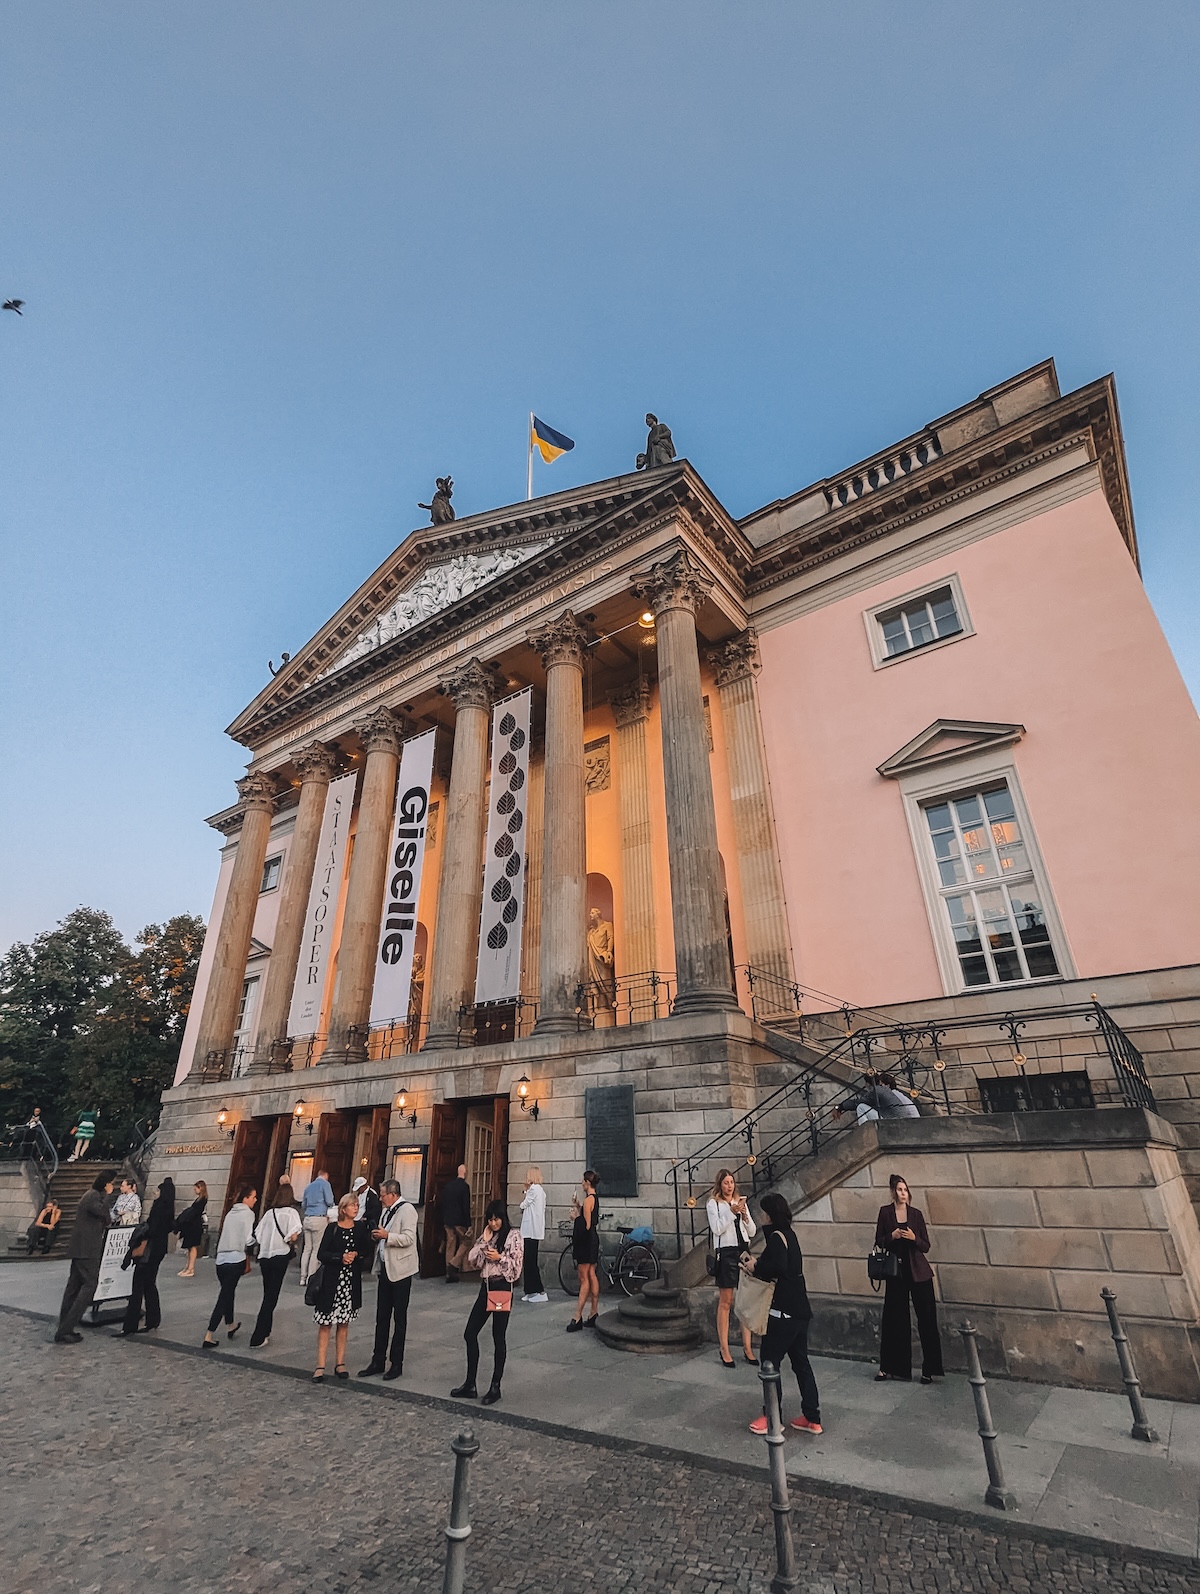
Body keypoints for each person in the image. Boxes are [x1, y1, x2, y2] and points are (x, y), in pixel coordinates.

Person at [743, 1193, 822, 1436]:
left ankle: (772, 1417)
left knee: (769, 1363)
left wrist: (753, 1267)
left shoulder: (777, 1238)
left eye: (764, 1212)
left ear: (769, 1214)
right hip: (800, 1310)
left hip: (783, 1312)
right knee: (801, 1363)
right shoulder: (789, 1235)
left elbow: (775, 1267)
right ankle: (812, 1417)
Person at [451, 1200, 523, 1406]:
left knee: (498, 1336)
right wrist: (484, 1241)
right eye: (490, 1220)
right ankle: (470, 1384)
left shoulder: (514, 1236)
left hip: (501, 1288)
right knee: (470, 1333)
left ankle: (495, 1386)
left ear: (503, 1218)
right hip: (486, 1287)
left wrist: (499, 1257)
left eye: (497, 1219)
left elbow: (516, 1269)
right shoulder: (488, 1235)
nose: (493, 1223)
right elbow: (473, 1260)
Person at [875, 1174, 944, 1384]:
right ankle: (889, 1368)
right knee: (894, 1319)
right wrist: (892, 1237)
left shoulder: (916, 1214)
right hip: (896, 1273)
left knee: (927, 1319)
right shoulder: (885, 1213)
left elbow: (926, 1245)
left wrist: (914, 1238)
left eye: (905, 1190)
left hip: (919, 1272)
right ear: (892, 1192)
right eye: (899, 1190)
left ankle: (929, 1369)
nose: (903, 1193)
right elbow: (878, 1240)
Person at [357, 1178, 418, 1380]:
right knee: (381, 1316)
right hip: (385, 1268)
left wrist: (387, 1236)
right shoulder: (386, 1210)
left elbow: (409, 1238)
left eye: (383, 1195)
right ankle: (378, 1359)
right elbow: (384, 1233)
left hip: (401, 1271)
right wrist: (378, 1236)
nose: (381, 1198)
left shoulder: (407, 1210)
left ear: (393, 1194)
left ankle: (396, 1363)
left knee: (399, 1318)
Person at [310, 1192, 371, 1382]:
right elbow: (322, 1254)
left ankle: (340, 1362)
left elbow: (367, 1250)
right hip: (331, 1281)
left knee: (343, 1324)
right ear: (343, 1209)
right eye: (352, 1205)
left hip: (349, 1282)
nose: (355, 1208)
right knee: (326, 1324)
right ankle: (320, 1365)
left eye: (357, 1205)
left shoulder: (360, 1228)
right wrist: (339, 1257)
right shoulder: (332, 1228)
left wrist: (357, 1254)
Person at [54, 1173, 115, 1343]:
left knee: (74, 1286)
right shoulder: (93, 1196)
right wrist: (108, 1196)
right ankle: (66, 1327)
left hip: (83, 1248)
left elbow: (107, 1219)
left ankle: (65, 1325)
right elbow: (103, 1212)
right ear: (105, 1184)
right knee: (90, 1285)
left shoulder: (93, 1196)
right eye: (111, 1183)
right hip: (86, 1249)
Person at [707, 1168, 758, 1368]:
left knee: (745, 1300)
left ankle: (748, 1347)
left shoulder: (739, 1202)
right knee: (726, 1301)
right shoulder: (714, 1204)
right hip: (726, 1252)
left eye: (732, 1182)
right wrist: (731, 1212)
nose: (730, 1186)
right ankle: (724, 1348)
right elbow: (717, 1228)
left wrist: (744, 1215)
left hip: (743, 1250)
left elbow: (752, 1231)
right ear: (720, 1184)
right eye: (726, 1182)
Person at [118, 1178, 175, 1336]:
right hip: (159, 1251)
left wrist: (143, 1231)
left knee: (137, 1287)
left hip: (149, 1250)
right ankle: (153, 1320)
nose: (156, 1193)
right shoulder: (169, 1209)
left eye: (158, 1190)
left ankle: (130, 1325)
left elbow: (152, 1229)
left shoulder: (158, 1208)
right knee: (150, 1284)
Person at [249, 1182, 303, 1348]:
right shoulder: (291, 1213)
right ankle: (258, 1335)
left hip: (265, 1256)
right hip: (280, 1256)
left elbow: (257, 1234)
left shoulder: (269, 1213)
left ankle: (266, 1330)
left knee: (268, 1293)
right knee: (271, 1296)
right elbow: (293, 1236)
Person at [202, 1186, 257, 1347]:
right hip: (235, 1258)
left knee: (228, 1291)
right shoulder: (248, 1214)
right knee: (224, 1295)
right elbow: (248, 1239)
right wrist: (257, 1240)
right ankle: (209, 1334)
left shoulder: (230, 1213)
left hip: (221, 1259)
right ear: (246, 1198)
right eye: (253, 1196)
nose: (255, 1200)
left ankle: (231, 1324)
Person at [566, 1170, 601, 1332]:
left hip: (586, 1242)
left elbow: (585, 1225)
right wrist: (578, 1206)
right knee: (592, 1274)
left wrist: (575, 1218)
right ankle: (593, 1312)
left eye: (583, 1181)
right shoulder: (593, 1198)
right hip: (593, 1239)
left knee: (584, 1278)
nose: (581, 1184)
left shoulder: (588, 1200)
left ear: (587, 1182)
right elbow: (590, 1219)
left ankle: (577, 1316)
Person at [299, 1167, 335, 1285]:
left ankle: (302, 1277)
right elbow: (330, 1201)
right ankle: (311, 1278)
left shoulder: (309, 1186)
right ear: (326, 1176)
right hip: (319, 1218)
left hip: (307, 1217)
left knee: (307, 1249)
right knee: (316, 1249)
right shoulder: (325, 1184)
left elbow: (303, 1204)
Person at [439, 1163, 472, 1282]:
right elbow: (465, 1206)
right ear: (465, 1173)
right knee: (466, 1241)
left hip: (448, 1219)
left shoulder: (448, 1186)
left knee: (450, 1244)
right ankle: (453, 1264)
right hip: (459, 1220)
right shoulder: (464, 1187)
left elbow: (443, 1203)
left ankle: (449, 1272)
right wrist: (469, 1224)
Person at [519, 1166, 548, 1303]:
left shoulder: (534, 1189)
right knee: (530, 1261)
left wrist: (525, 1190)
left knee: (530, 1261)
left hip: (530, 1230)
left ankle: (538, 1290)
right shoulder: (540, 1191)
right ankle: (530, 1290)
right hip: (535, 1229)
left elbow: (523, 1204)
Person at [174, 1180, 208, 1277]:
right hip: (192, 1225)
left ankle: (191, 1268)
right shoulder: (199, 1199)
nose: (195, 1190)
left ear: (200, 1188)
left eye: (196, 1188)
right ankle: (188, 1267)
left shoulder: (202, 1200)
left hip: (195, 1226)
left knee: (192, 1247)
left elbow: (195, 1212)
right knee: (190, 1247)